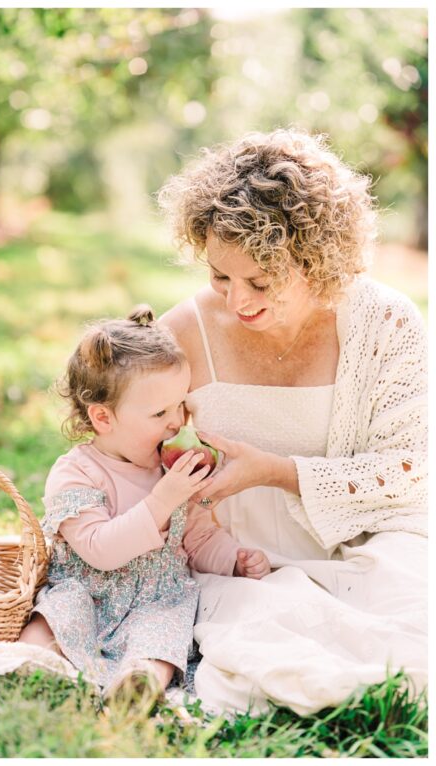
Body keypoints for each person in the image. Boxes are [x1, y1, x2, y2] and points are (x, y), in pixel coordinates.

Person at [155, 128, 427, 715]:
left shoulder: (386, 324)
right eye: (219, 276)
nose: (236, 302)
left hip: (370, 541)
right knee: (261, 649)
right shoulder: (182, 334)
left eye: (261, 281)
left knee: (411, 636)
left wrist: (276, 472)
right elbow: (121, 445)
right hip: (238, 560)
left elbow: (410, 470)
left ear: (319, 261)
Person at [19, 306, 270, 700]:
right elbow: (99, 549)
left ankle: (138, 685)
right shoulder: (76, 473)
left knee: (165, 636)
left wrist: (233, 559)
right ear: (103, 418)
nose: (176, 423)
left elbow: (199, 538)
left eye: (179, 406)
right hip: (88, 591)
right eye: (159, 412)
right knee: (52, 618)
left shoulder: (173, 471)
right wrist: (162, 500)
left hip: (156, 599)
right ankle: (31, 669)